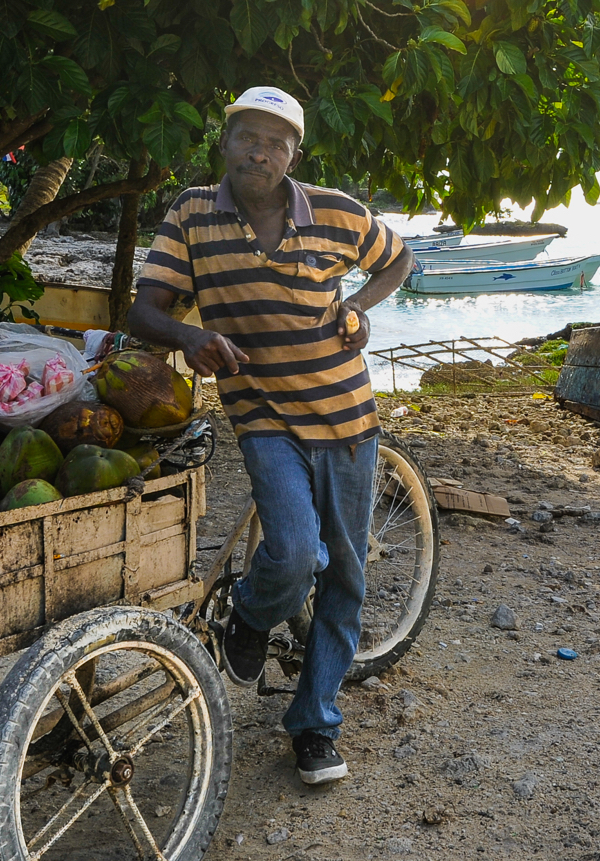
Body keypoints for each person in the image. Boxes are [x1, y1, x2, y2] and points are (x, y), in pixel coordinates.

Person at [128, 86, 415, 786]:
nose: (261, 150)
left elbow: (400, 260)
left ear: (294, 154)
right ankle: (251, 615)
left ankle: (314, 724)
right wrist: (189, 333)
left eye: (277, 141)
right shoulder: (192, 213)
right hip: (262, 416)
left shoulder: (339, 213)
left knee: (345, 576)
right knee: (292, 555)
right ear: (225, 143)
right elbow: (145, 309)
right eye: (249, 136)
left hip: (346, 419)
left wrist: (359, 307)